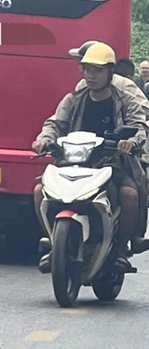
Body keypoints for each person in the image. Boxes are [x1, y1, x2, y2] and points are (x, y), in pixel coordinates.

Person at [32, 42, 148, 272]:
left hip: (113, 162)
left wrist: (131, 142)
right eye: (87, 70)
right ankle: (54, 242)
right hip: (73, 161)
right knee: (39, 192)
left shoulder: (125, 98)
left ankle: (121, 250)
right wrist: (44, 139)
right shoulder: (74, 99)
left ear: (109, 72)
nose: (90, 76)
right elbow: (55, 123)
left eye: (97, 70)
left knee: (130, 195)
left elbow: (139, 126)